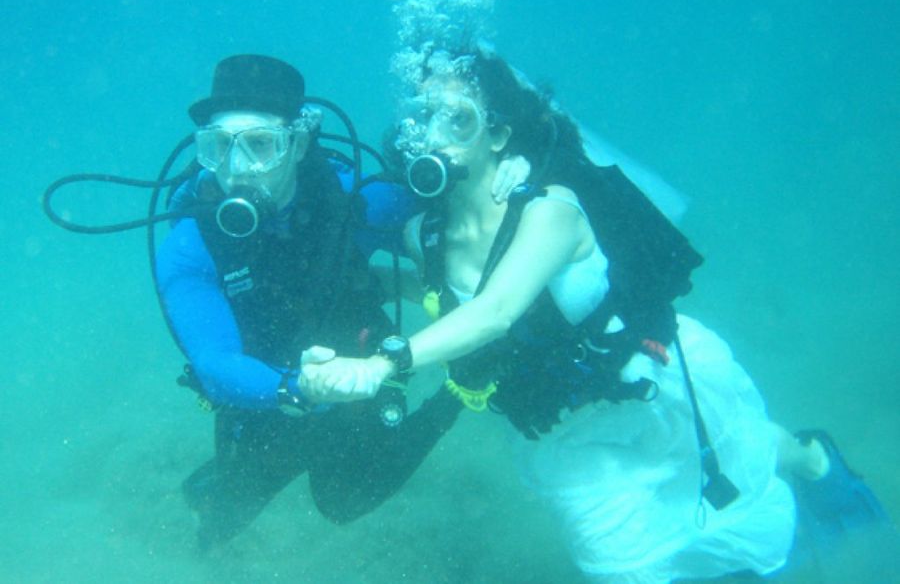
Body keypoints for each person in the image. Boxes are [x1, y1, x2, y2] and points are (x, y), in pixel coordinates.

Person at [299, 45, 894, 582]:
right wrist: (352, 285)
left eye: (459, 118)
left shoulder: (551, 210)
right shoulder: (421, 233)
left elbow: (497, 310)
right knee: (623, 563)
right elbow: (439, 290)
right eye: (424, 117)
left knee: (753, 461)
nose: (436, 134)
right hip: (562, 432)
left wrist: (383, 363)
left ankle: (819, 464)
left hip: (653, 384)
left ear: (498, 134)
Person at [155, 54, 528, 549]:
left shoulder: (352, 203)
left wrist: (515, 164)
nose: (236, 170)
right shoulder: (191, 243)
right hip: (267, 392)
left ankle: (452, 398)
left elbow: (456, 203)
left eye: (260, 145)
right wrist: (297, 390)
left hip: (357, 374)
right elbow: (213, 359)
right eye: (219, 147)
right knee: (222, 517)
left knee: (343, 502)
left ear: (299, 143)